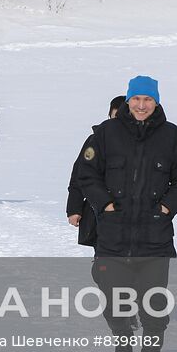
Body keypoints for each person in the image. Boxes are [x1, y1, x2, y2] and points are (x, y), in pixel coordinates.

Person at [72, 76, 177, 352]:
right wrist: (105, 206)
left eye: (148, 100)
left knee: (154, 305)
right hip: (113, 236)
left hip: (154, 237)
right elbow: (85, 174)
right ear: (128, 101)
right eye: (137, 99)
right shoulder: (105, 134)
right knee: (115, 302)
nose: (142, 105)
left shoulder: (171, 136)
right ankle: (123, 339)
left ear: (156, 103)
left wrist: (166, 209)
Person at [67, 95, 128, 250]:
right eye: (115, 117)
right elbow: (80, 175)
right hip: (100, 211)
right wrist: (74, 208)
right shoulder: (95, 141)